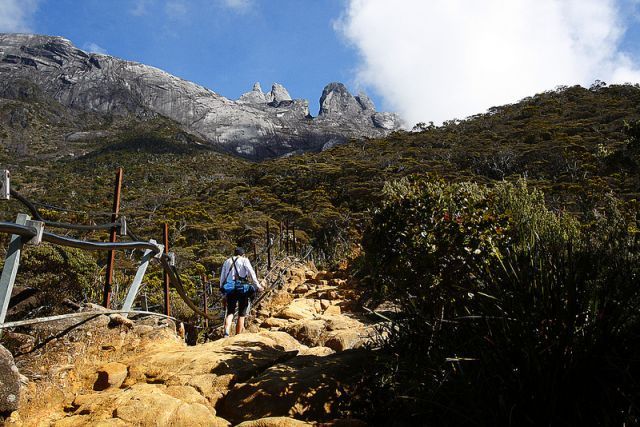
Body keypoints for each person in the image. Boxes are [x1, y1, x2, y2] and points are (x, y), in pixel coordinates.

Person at [219, 247, 264, 337]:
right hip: (242, 288)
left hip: (230, 288)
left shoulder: (227, 261)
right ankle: (238, 335)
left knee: (230, 312)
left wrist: (222, 289)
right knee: (241, 313)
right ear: (243, 254)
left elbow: (222, 277)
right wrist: (258, 286)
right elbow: (252, 273)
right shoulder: (244, 260)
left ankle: (226, 333)